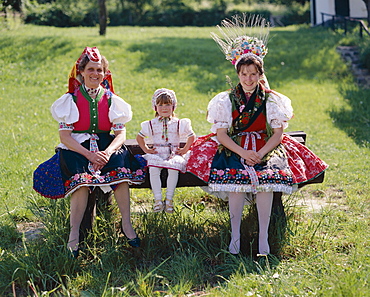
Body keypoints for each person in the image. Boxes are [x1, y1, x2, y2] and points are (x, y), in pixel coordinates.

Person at [187, 15, 328, 256]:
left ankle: (264, 237)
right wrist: (242, 152)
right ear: (238, 74)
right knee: (235, 184)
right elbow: (221, 134)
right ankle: (235, 236)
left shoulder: (272, 99)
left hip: (266, 146)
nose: (248, 79)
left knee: (266, 183)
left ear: (259, 74)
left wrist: (261, 153)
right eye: (244, 74)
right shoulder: (226, 99)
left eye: (253, 74)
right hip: (235, 145)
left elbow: (278, 133)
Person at [33, 47, 146, 257]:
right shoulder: (71, 100)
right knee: (81, 182)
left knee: (121, 173)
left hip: (105, 145)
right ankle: (74, 233)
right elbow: (65, 137)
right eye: (91, 69)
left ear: (105, 73)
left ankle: (127, 224)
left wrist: (108, 152)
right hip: (77, 146)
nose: (96, 74)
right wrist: (90, 155)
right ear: (82, 72)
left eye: (100, 70)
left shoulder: (112, 99)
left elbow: (121, 134)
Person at [136, 88, 196, 213]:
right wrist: (146, 149)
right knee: (153, 169)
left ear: (173, 106)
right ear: (155, 107)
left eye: (168, 104)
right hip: (157, 153)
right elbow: (139, 137)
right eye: (161, 105)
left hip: (172, 154)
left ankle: (169, 200)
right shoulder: (151, 124)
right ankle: (158, 200)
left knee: (173, 169)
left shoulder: (178, 123)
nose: (164, 108)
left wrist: (185, 149)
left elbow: (192, 136)